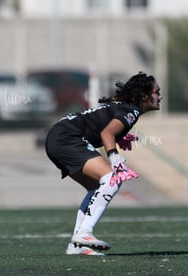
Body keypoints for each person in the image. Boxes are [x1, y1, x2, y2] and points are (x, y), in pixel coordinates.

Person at [45, 72, 162, 256]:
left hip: (57, 137)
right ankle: (84, 234)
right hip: (66, 139)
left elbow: (102, 126)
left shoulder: (124, 107)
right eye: (156, 92)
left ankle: (78, 245)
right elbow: (107, 133)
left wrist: (120, 136)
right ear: (143, 95)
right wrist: (114, 156)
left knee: (95, 187)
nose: (159, 96)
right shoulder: (132, 110)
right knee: (113, 178)